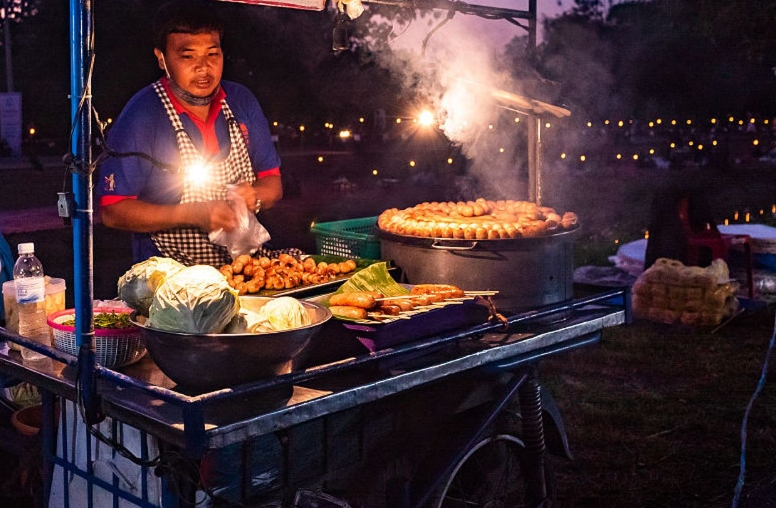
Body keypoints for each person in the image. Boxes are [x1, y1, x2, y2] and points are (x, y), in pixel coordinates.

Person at [97, 0, 283, 267]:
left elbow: (272, 184)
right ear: (162, 58)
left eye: (212, 54)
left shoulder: (241, 101)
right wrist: (193, 214)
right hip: (170, 277)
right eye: (187, 56)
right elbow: (113, 212)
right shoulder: (143, 114)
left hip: (244, 270)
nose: (203, 68)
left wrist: (254, 197)